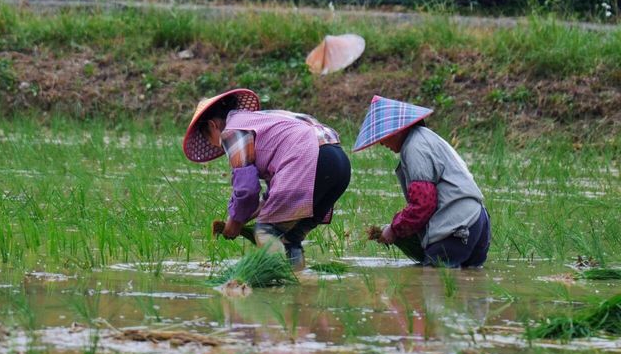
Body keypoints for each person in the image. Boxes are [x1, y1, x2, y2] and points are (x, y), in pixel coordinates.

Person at [183, 88, 351, 269]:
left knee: (266, 230)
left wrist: (235, 221)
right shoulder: (264, 120)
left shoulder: (232, 130)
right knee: (289, 238)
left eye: (210, 139)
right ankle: (301, 281)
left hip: (308, 161)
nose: (221, 147)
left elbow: (246, 190)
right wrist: (240, 219)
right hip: (339, 163)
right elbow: (274, 197)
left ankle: (278, 279)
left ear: (212, 125)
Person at [353, 94, 490, 268]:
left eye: (383, 136)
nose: (381, 143)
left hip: (457, 225)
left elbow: (423, 204)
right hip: (478, 221)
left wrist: (394, 229)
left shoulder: (414, 147)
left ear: (397, 130)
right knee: (469, 280)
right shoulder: (428, 138)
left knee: (432, 279)